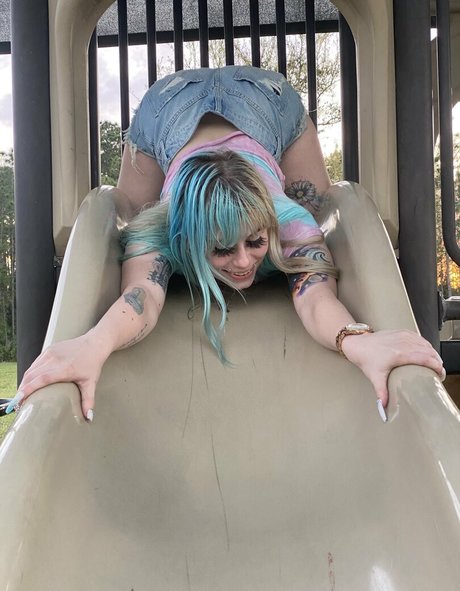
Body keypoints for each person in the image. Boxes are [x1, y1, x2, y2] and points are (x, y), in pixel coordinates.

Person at [6, 66, 444, 422]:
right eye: (220, 249)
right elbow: (143, 295)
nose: (243, 263)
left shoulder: (288, 219)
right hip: (167, 109)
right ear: (185, 238)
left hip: (267, 102)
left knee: (316, 201)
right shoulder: (161, 227)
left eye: (255, 242)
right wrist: (93, 344)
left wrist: (359, 342)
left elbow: (315, 298)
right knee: (131, 211)